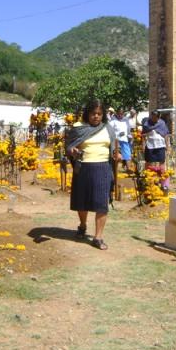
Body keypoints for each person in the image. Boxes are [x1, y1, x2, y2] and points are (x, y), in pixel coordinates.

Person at [65, 99, 118, 250]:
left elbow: (113, 149)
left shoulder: (108, 128)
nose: (96, 116)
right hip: (83, 168)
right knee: (83, 202)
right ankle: (82, 225)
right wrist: (72, 150)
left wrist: (116, 155)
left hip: (103, 169)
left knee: (102, 204)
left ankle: (98, 237)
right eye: (93, 113)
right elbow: (68, 146)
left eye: (99, 114)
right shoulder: (78, 127)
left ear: (103, 115)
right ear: (87, 114)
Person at [142, 110, 170, 190]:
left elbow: (166, 135)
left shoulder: (162, 123)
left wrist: (167, 145)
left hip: (160, 146)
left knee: (162, 162)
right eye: (152, 117)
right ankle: (147, 180)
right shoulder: (147, 124)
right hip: (150, 145)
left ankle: (163, 182)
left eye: (155, 118)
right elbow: (143, 135)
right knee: (148, 162)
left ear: (158, 117)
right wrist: (143, 145)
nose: (153, 119)